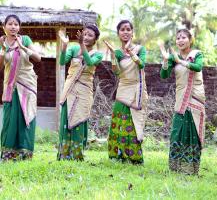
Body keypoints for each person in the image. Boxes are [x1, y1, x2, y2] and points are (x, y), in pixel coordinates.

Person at [159, 29, 205, 175]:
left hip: (195, 97)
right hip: (180, 98)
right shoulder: (174, 57)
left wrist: (181, 62)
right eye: (178, 38)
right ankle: (175, 167)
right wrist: (166, 61)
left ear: (190, 39)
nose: (180, 40)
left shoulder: (197, 54)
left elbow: (198, 67)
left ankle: (190, 169)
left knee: (192, 131)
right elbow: (164, 75)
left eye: (183, 37)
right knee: (177, 131)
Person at [104, 20, 148, 164]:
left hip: (136, 89)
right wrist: (112, 55)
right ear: (118, 33)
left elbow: (141, 64)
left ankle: (134, 157)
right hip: (123, 89)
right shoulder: (117, 52)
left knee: (133, 122)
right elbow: (116, 72)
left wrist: (131, 53)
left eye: (128, 29)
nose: (125, 32)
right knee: (119, 120)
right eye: (122, 29)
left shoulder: (140, 49)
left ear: (132, 32)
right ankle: (117, 156)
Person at [57, 25, 103, 160]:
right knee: (66, 118)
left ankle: (77, 155)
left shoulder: (98, 54)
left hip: (84, 90)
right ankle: (65, 154)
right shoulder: (73, 48)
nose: (87, 37)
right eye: (85, 34)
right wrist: (64, 46)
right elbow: (62, 62)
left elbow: (89, 63)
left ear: (95, 39)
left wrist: (82, 45)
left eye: (90, 35)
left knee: (79, 118)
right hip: (70, 88)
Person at [0, 14, 41, 161]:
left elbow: (38, 58)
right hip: (10, 86)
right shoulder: (2, 42)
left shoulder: (25, 39)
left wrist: (23, 48)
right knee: (9, 119)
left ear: (19, 27)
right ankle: (8, 153)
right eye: (10, 24)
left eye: (16, 24)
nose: (13, 27)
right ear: (4, 27)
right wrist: (3, 52)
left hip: (27, 83)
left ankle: (25, 154)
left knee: (26, 117)